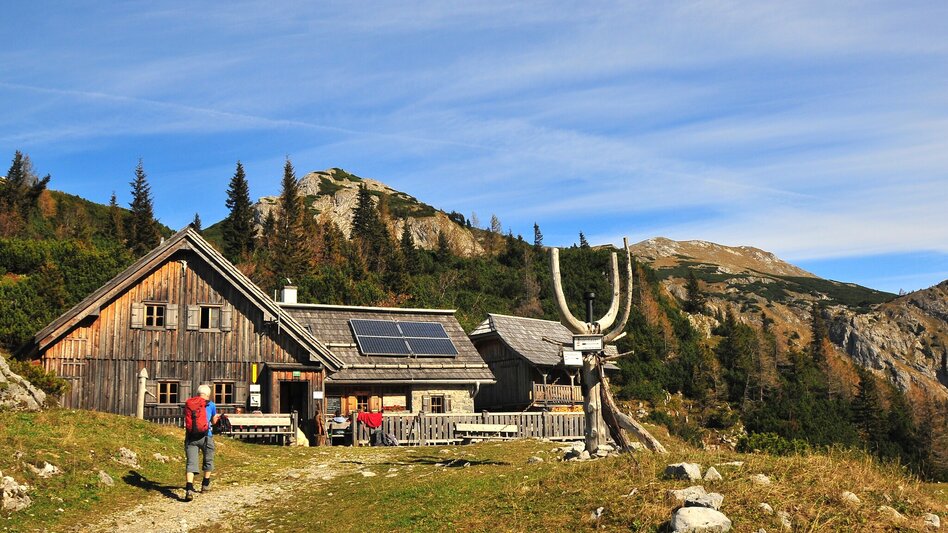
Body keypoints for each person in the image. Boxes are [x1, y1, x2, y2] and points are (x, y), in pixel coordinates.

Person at [183, 384, 220, 501]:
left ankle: (189, 488)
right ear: (208, 394)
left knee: (191, 462)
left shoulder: (189, 404)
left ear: (197, 393)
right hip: (206, 436)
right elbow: (213, 422)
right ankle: (205, 484)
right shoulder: (211, 404)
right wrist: (216, 418)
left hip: (191, 437)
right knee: (208, 459)